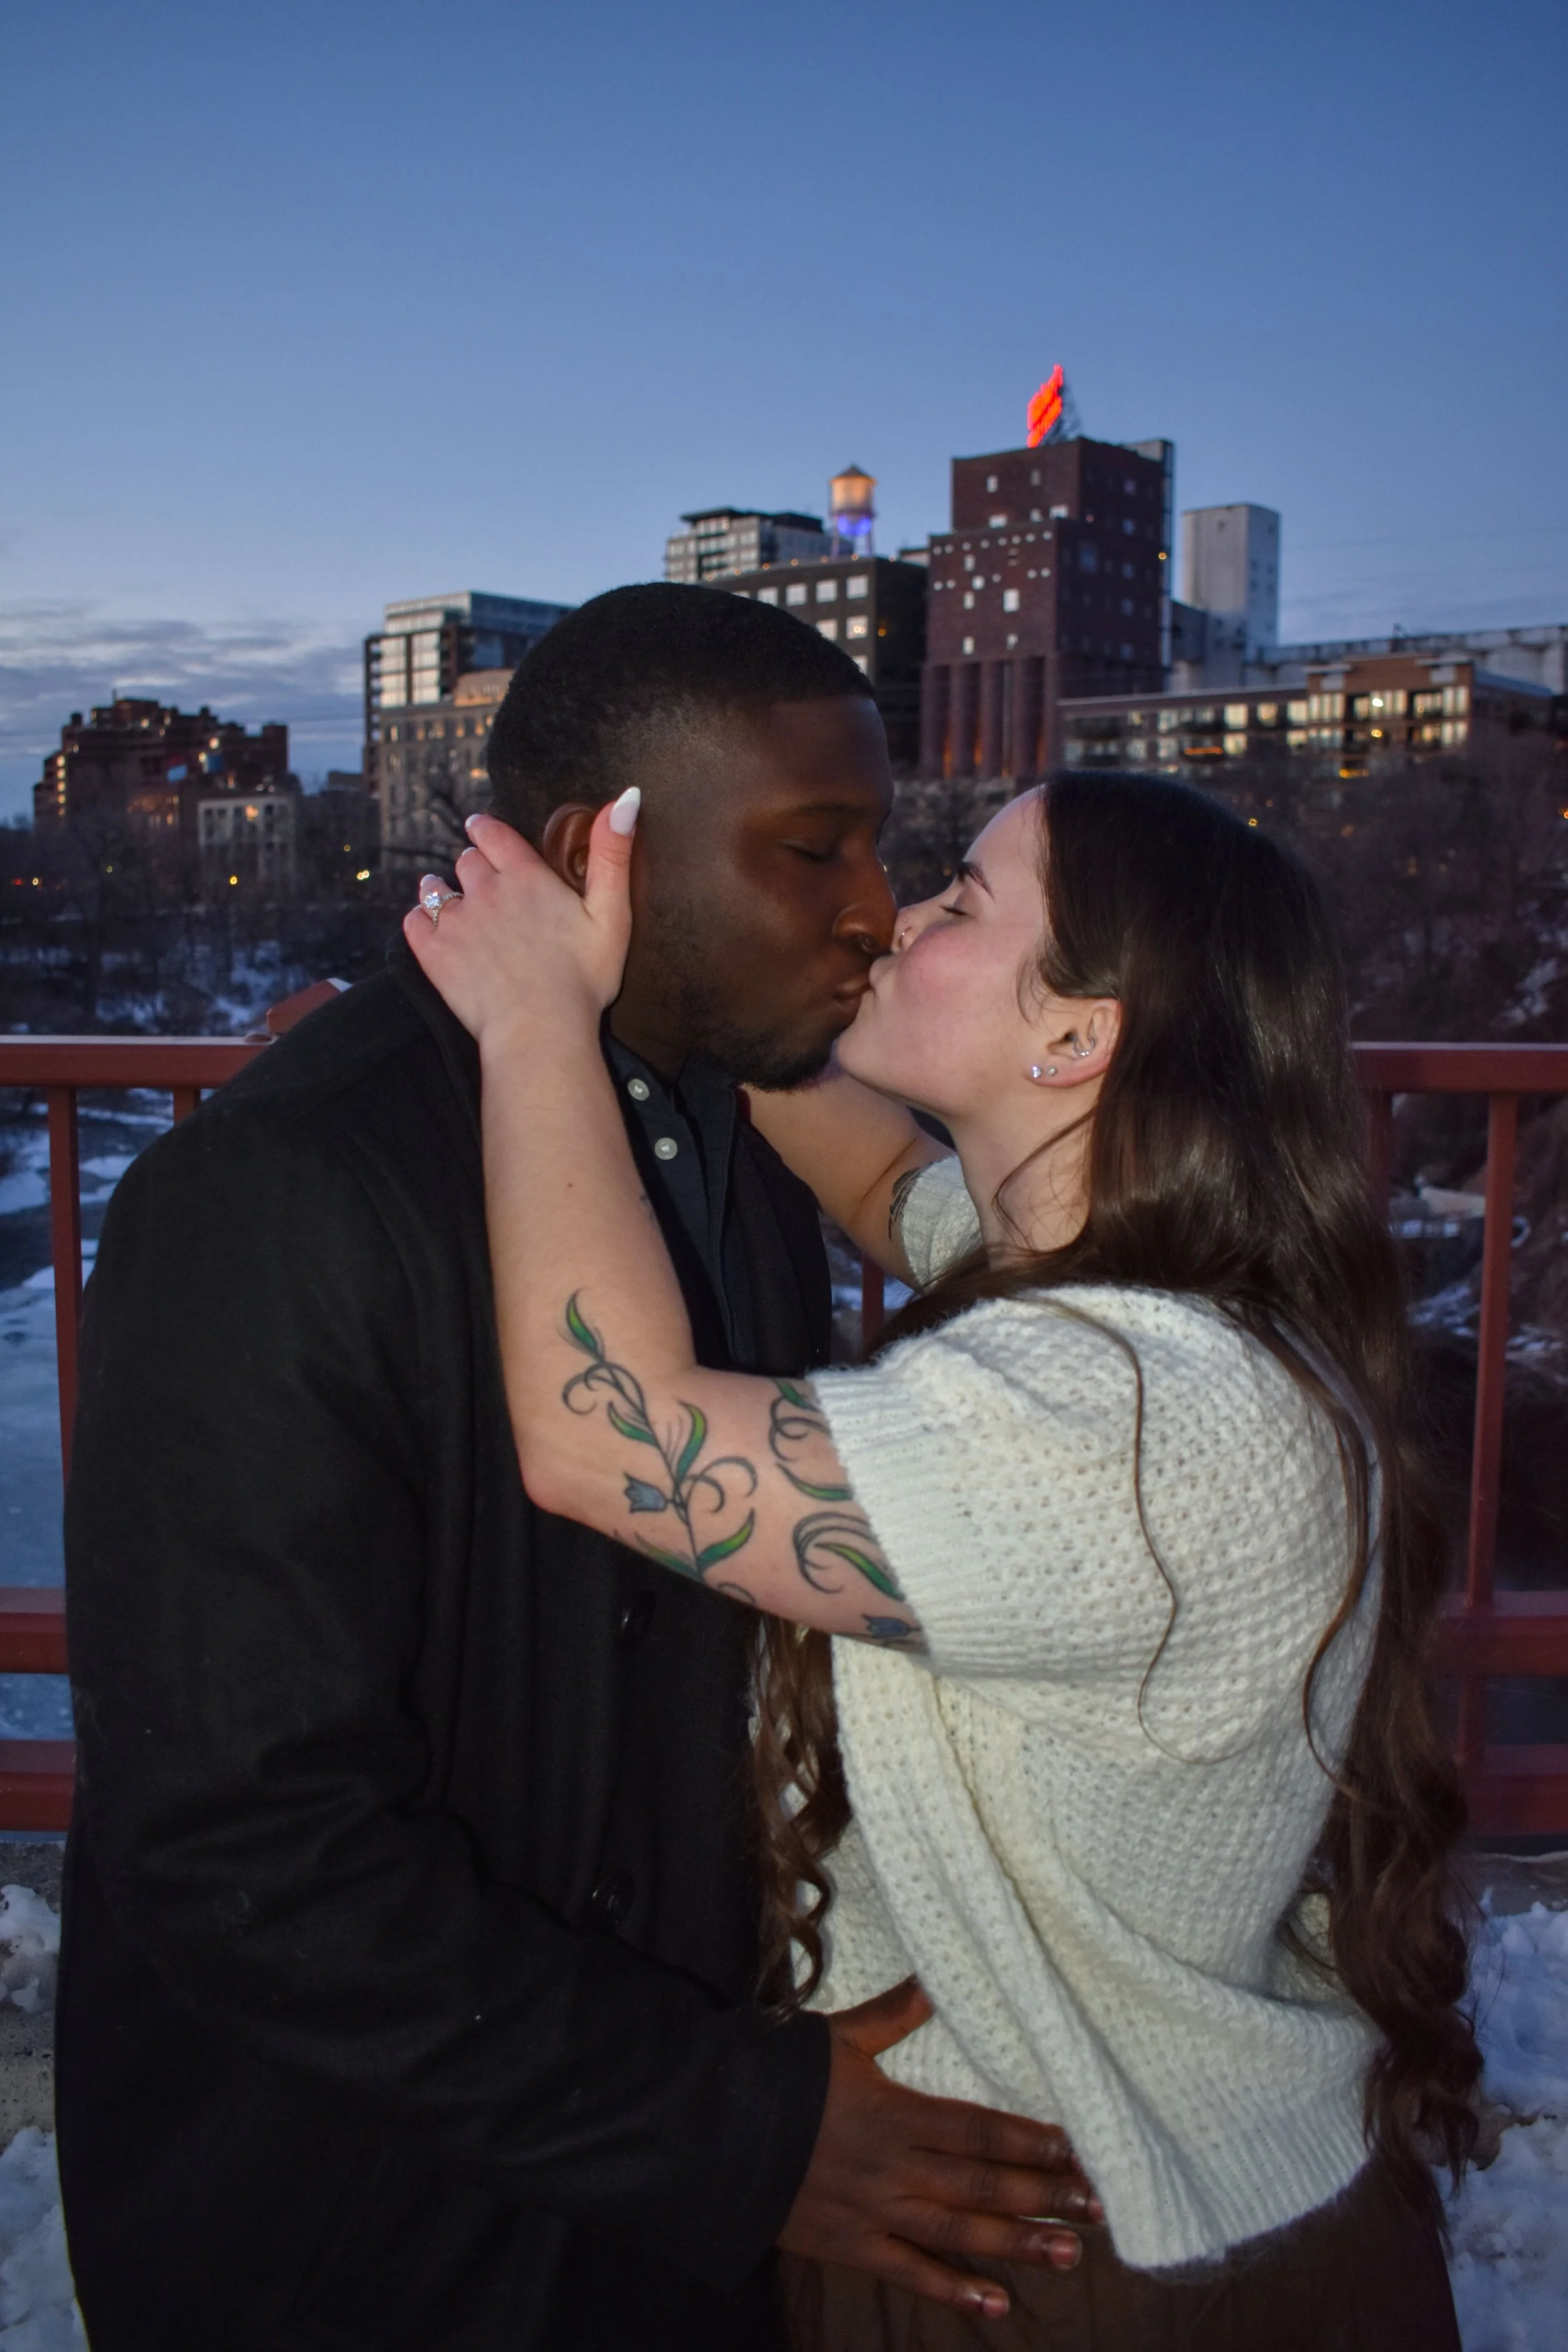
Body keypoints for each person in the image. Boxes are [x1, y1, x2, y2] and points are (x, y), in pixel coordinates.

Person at [56, 585, 1095, 2352]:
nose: (872, 910)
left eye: (887, 847)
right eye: (812, 848)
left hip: (631, 2198)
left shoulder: (726, 1135)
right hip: (362, 2237)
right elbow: (244, 1839)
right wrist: (739, 2125)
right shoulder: (279, 1197)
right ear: (587, 851)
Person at [405, 764, 1481, 2349]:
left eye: (966, 902)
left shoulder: (1127, 1420)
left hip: (1085, 2260)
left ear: (1074, 1035)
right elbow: (873, 1178)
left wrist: (531, 1023)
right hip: (1099, 2201)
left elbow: (608, 1430)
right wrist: (687, 976)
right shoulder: (1115, 1281)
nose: (900, 916)